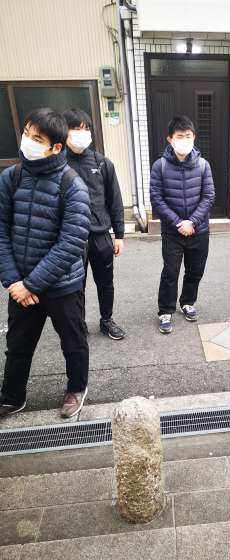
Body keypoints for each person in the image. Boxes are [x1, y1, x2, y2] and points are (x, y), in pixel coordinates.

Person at [0, 108, 91, 418]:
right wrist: (14, 281)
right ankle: (12, 396)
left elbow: (71, 243)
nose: (28, 141)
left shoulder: (72, 185)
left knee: (73, 341)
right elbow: (1, 232)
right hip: (20, 284)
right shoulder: (11, 178)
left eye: (37, 139)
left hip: (62, 286)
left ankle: (77, 388)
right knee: (18, 344)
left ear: (56, 147)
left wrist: (31, 284)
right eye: (27, 134)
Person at [63, 108, 126, 340]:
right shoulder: (59, 164)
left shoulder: (102, 163)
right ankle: (78, 324)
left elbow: (115, 200)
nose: (82, 133)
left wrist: (119, 235)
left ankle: (106, 320)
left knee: (106, 283)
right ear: (64, 132)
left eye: (86, 128)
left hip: (100, 235)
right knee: (74, 286)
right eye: (75, 128)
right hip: (71, 237)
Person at [150, 115, 215, 334]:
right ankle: (165, 310)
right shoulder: (160, 166)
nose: (184, 140)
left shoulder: (203, 165)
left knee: (195, 270)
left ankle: (187, 302)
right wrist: (179, 223)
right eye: (180, 136)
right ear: (170, 139)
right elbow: (156, 198)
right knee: (170, 271)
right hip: (172, 231)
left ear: (194, 137)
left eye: (188, 136)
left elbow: (208, 196)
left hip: (199, 230)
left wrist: (192, 222)